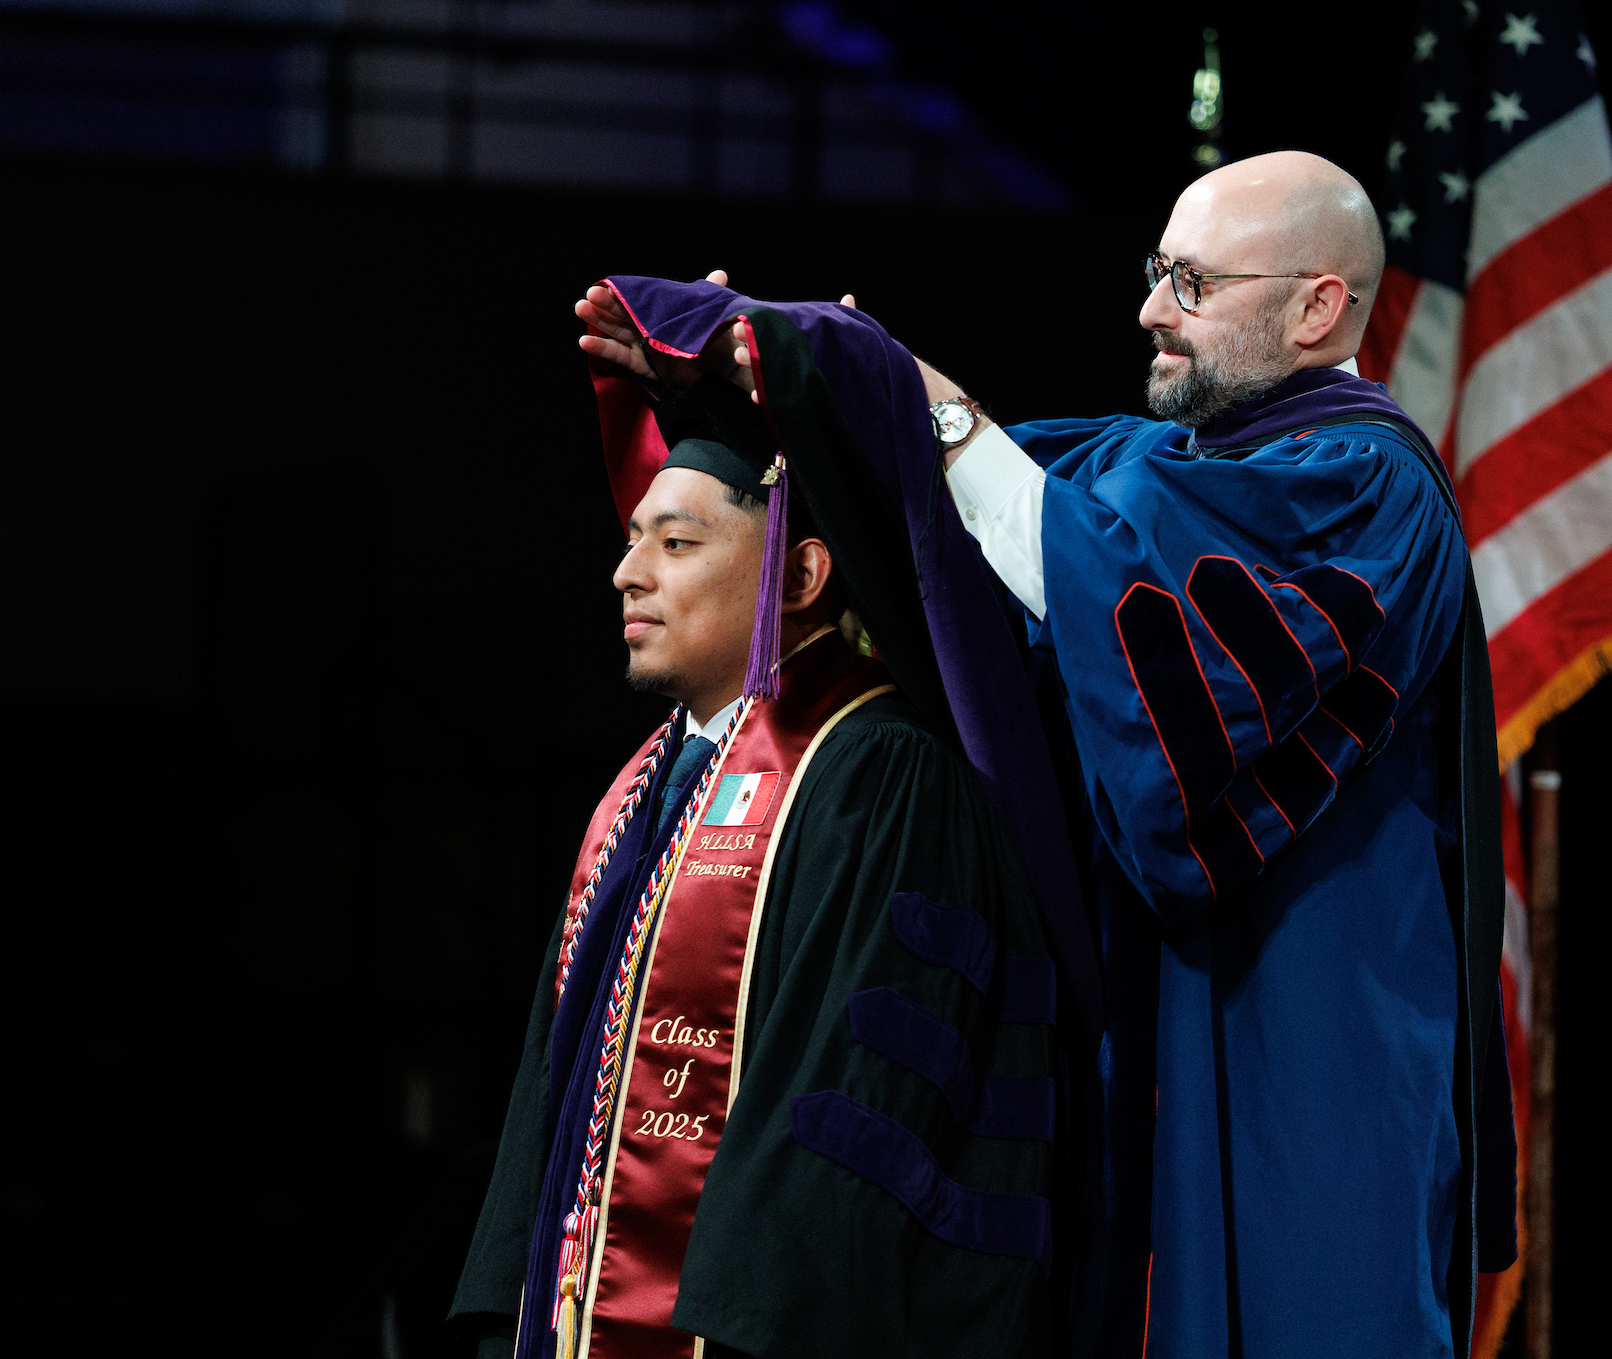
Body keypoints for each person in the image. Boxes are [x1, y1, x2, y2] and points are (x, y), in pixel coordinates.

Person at [574, 149, 1516, 1359]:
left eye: (1191, 281)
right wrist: (768, 386)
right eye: (1153, 271)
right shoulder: (1158, 464)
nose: (1150, 311)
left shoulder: (1365, 488)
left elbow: (1096, 580)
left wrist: (931, 401)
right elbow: (957, 522)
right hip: (1153, 1043)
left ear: (1317, 306)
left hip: (1308, 1058)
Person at [449, 380, 1064, 1359]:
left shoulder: (879, 776)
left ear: (801, 574)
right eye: (633, 537)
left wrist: (741, 1334)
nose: (627, 571)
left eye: (676, 543)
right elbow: (553, 1094)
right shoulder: (639, 792)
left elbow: (855, 1110)